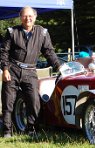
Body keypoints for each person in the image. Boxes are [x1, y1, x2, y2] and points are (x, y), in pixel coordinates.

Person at [0, 6, 61, 138]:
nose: (28, 18)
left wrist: (58, 66)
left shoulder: (43, 33)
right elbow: (3, 52)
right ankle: (6, 131)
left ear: (35, 17)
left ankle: (32, 130)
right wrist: (5, 69)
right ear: (20, 17)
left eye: (30, 16)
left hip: (30, 71)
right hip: (12, 70)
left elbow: (49, 52)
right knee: (8, 102)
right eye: (25, 16)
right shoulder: (11, 32)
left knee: (34, 101)